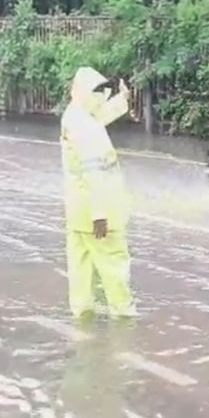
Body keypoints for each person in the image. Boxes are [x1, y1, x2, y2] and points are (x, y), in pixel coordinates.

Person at [61, 67, 136, 319]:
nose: (101, 96)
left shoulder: (76, 115)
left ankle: (82, 318)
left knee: (80, 270)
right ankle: (124, 318)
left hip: (77, 212)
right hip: (99, 213)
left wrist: (121, 100)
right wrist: (99, 214)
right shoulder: (85, 127)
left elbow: (99, 115)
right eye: (97, 92)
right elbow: (93, 172)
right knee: (114, 267)